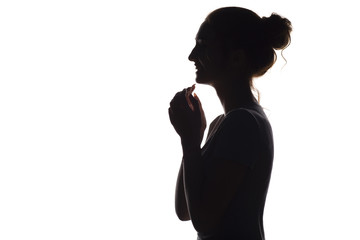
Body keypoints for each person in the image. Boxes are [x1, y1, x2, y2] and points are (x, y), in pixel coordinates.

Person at [168, 7, 292, 240]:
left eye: (203, 44)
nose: (192, 55)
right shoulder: (221, 124)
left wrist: (191, 141)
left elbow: (202, 220)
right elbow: (184, 210)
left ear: (236, 57)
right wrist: (191, 139)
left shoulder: (243, 122)